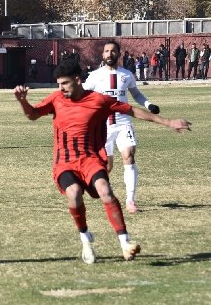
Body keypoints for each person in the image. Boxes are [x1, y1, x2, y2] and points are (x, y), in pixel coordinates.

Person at [13, 59, 191, 264]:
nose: (60, 88)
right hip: (65, 162)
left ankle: (125, 243)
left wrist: (168, 122)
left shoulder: (99, 100)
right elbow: (33, 114)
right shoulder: (56, 99)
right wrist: (22, 101)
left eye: (64, 83)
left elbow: (131, 110)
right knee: (74, 193)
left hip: (91, 159)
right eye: (58, 84)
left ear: (78, 80)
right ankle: (85, 238)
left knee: (105, 190)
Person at [83, 40, 161, 214]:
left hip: (123, 122)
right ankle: (100, 191)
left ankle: (130, 201)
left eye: (113, 51)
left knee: (129, 156)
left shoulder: (127, 74)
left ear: (118, 53)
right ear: (102, 55)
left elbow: (136, 94)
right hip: (102, 126)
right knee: (107, 166)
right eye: (106, 51)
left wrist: (149, 105)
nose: (109, 54)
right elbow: (82, 94)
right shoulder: (95, 76)